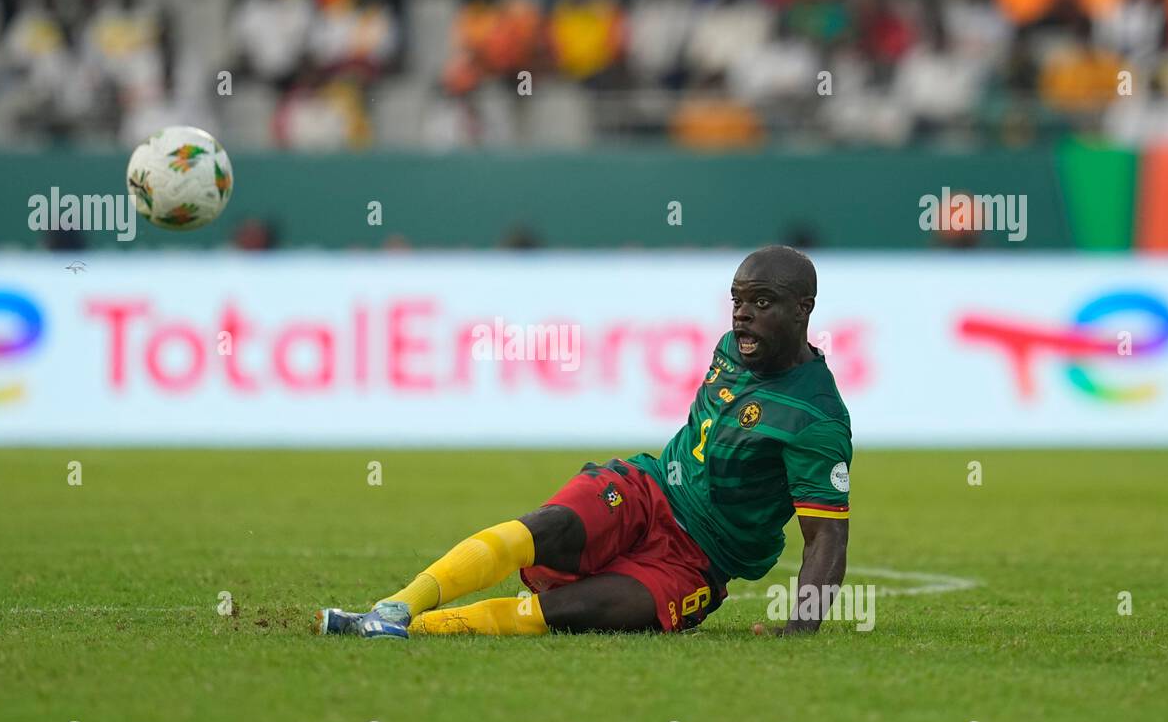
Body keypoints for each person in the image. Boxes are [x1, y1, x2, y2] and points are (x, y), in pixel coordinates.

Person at [317, 245, 852, 639]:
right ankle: (393, 608)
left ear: (804, 309)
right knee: (543, 528)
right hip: (648, 492)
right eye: (737, 300)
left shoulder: (816, 419)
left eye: (762, 302)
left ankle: (412, 631)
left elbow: (826, 539)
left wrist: (798, 631)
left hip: (698, 562)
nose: (742, 314)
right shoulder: (733, 347)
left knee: (572, 613)